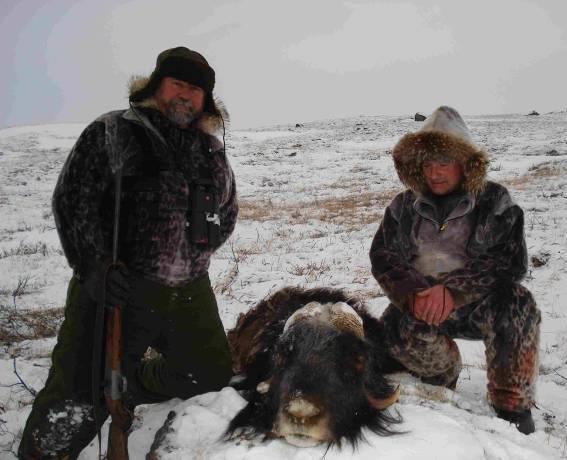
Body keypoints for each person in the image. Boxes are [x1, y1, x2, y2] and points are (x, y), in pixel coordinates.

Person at [19, 46, 238, 458]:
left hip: (189, 290)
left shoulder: (210, 149)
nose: (186, 96)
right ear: (157, 85)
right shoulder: (113, 131)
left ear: (205, 100)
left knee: (208, 377)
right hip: (116, 286)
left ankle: (130, 386)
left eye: (196, 91)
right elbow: (73, 201)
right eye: (178, 84)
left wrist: (197, 253)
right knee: (78, 396)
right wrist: (93, 266)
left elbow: (226, 212)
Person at [370, 106, 540, 435]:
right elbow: (383, 255)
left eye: (444, 162)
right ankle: (442, 375)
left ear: (466, 164)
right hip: (422, 307)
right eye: (428, 163)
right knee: (388, 330)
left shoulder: (494, 201)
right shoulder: (403, 207)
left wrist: (453, 290)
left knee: (518, 304)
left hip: (478, 306)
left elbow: (509, 258)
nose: (434, 173)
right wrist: (414, 293)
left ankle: (511, 406)